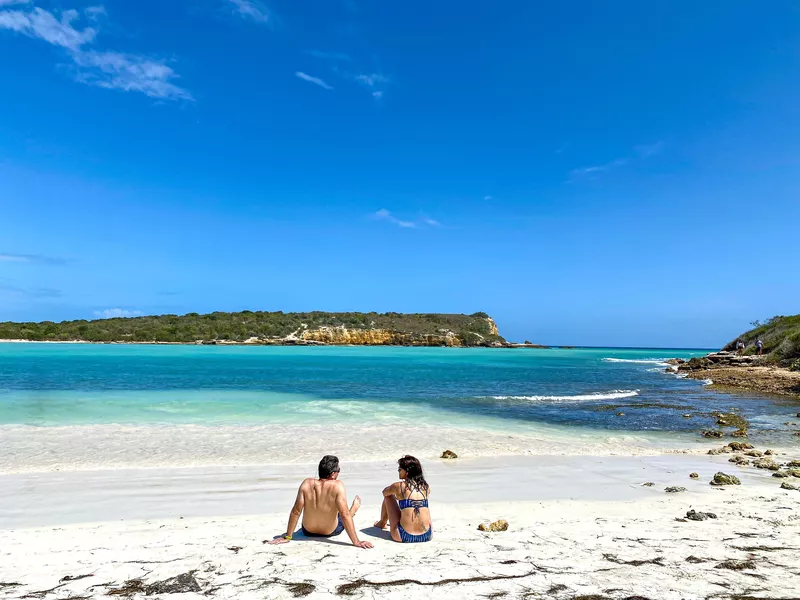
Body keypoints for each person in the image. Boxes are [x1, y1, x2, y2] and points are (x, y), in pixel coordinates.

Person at [269, 455, 373, 549]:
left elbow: (296, 512)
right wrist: (356, 542)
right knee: (343, 515)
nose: (338, 473)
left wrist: (288, 536)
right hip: (330, 531)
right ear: (333, 474)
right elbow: (345, 515)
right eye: (338, 470)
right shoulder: (337, 485)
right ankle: (353, 509)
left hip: (307, 531)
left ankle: (351, 510)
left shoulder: (306, 483)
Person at [374, 455, 432, 543]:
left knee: (388, 496)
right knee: (423, 506)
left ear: (407, 472)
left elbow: (384, 492)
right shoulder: (426, 487)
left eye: (400, 469)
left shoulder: (399, 486)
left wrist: (396, 493)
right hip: (427, 535)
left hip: (404, 536)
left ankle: (382, 522)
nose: (398, 471)